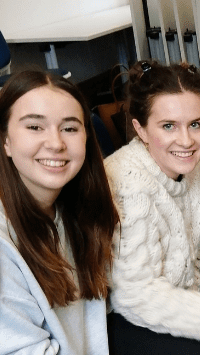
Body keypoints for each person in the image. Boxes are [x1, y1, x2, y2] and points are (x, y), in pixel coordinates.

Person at [105, 60, 200, 355]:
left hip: (175, 297)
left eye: (196, 124)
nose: (186, 140)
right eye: (168, 126)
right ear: (140, 129)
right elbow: (134, 295)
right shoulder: (128, 182)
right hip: (122, 312)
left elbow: (195, 253)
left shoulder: (198, 170)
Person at [0, 70, 119, 354]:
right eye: (35, 127)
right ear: (5, 141)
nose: (56, 143)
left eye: (69, 128)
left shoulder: (76, 206)